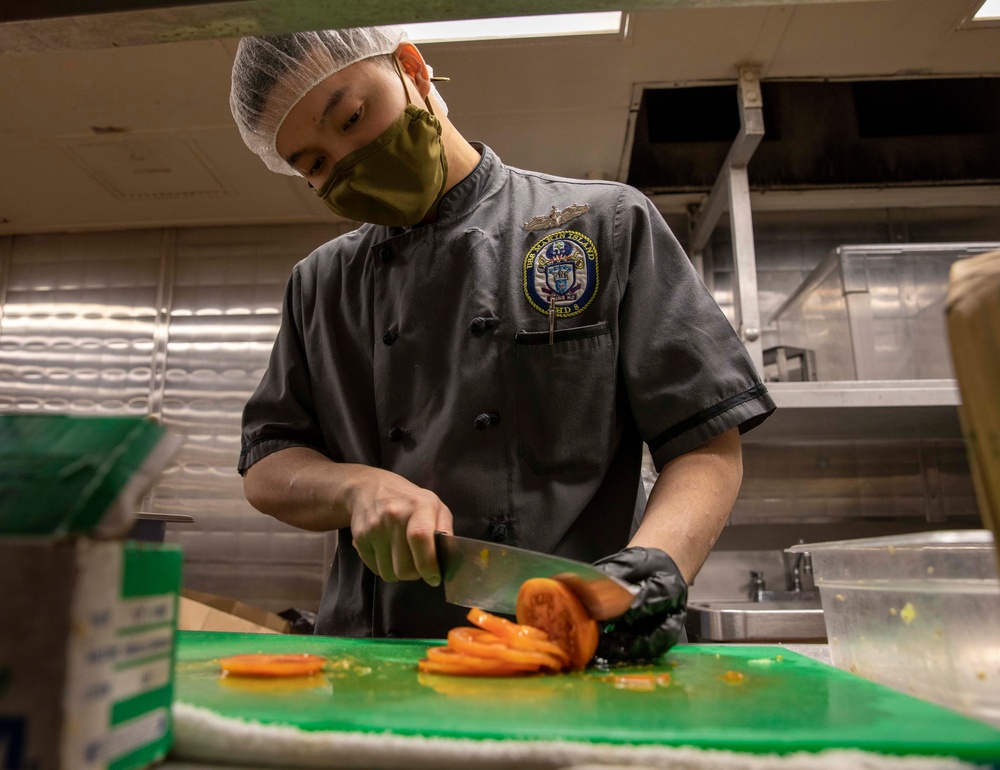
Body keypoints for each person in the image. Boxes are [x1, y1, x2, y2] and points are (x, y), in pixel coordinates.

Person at [229, 25, 775, 660]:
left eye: (352, 116)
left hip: (570, 650)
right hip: (373, 660)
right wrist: (355, 488)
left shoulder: (603, 225)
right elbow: (269, 463)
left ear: (412, 67)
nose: (348, 158)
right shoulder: (320, 283)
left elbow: (704, 441)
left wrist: (652, 568)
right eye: (316, 165)